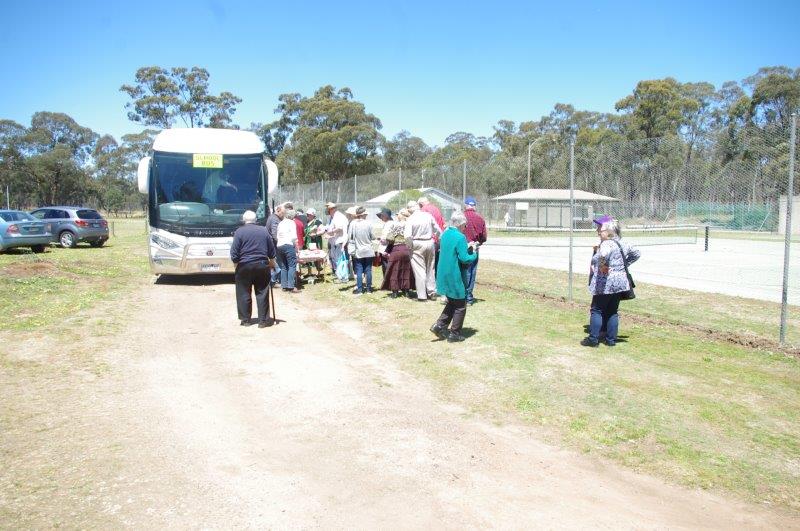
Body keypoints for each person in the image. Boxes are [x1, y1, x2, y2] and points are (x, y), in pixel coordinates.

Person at [582, 215, 641, 347]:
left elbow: (602, 256)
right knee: (612, 311)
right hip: (620, 283)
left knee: (596, 310)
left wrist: (598, 262)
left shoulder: (606, 244)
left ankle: (593, 339)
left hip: (605, 283)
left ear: (609, 231)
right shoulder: (622, 243)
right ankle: (610, 340)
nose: (598, 231)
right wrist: (623, 265)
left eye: (600, 229)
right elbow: (637, 253)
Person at [430, 212, 477, 342]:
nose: (465, 227)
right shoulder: (460, 237)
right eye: (465, 225)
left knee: (452, 302)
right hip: (454, 273)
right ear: (461, 224)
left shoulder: (445, 233)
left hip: (443, 272)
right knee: (461, 304)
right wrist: (474, 252)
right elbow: (464, 258)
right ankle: (454, 333)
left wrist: (466, 247)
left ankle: (439, 326)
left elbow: (452, 250)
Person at [230, 210, 276, 328]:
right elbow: (271, 250)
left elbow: (234, 252)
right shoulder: (263, 230)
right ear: (256, 220)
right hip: (261, 264)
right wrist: (272, 262)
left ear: (244, 220)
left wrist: (236, 263)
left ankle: (245, 320)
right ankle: (263, 321)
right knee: (262, 292)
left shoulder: (239, 232)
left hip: (244, 265)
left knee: (243, 292)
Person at [404, 201, 442, 301]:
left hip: (417, 243)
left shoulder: (411, 219)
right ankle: (432, 291)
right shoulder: (428, 216)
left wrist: (410, 246)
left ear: (410, 209)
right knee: (431, 268)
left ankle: (422, 295)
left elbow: (407, 236)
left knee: (419, 270)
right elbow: (438, 230)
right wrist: (435, 239)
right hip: (429, 242)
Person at [380, 208, 413, 298]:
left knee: (394, 270)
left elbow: (390, 239)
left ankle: (395, 292)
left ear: (400, 215)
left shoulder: (394, 225)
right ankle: (406, 291)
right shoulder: (409, 225)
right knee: (406, 270)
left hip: (396, 249)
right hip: (407, 249)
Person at [462, 196, 487, 305]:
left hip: (462, 247)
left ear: (465, 205)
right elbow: (484, 237)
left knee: (462, 271)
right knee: (472, 272)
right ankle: (469, 297)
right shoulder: (480, 218)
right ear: (474, 206)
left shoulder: (461, 217)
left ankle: (461, 295)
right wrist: (478, 243)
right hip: (474, 247)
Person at [347, 206, 375, 294]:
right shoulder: (369, 223)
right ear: (363, 214)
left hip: (358, 250)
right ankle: (369, 289)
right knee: (368, 270)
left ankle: (359, 289)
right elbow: (372, 236)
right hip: (368, 250)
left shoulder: (353, 224)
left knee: (359, 270)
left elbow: (350, 237)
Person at [276, 208, 300, 293]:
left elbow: (277, 236)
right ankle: (291, 286)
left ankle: (284, 286)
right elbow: (294, 237)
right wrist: (297, 247)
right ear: (292, 216)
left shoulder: (280, 223)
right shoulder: (291, 223)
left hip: (279, 245)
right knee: (291, 265)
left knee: (283, 266)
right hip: (288, 245)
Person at [418, 196, 446, 271]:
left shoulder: (423, 210)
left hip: (429, 240)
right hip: (438, 240)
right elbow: (443, 224)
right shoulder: (436, 209)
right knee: (435, 265)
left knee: (426, 267)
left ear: (421, 204)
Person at [323, 202, 349, 282]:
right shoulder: (334, 217)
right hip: (337, 240)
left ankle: (343, 277)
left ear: (332, 209)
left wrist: (330, 232)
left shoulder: (338, 217)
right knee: (337, 259)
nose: (328, 210)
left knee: (340, 260)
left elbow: (339, 228)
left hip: (341, 240)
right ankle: (340, 275)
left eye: (329, 209)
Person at [266, 202, 285, 285]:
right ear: (278, 210)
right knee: (276, 263)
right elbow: (274, 233)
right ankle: (274, 279)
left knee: (275, 262)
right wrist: (280, 242)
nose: (283, 215)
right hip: (273, 244)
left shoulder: (272, 217)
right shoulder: (275, 219)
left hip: (272, 244)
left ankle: (275, 280)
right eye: (282, 213)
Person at [303, 208, 324, 277]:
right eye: (307, 214)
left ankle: (318, 272)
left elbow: (323, 230)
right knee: (308, 257)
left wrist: (316, 234)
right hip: (308, 242)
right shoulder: (306, 222)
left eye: (309, 214)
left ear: (313, 215)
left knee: (317, 256)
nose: (307, 216)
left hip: (315, 241)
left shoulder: (317, 222)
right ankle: (309, 272)